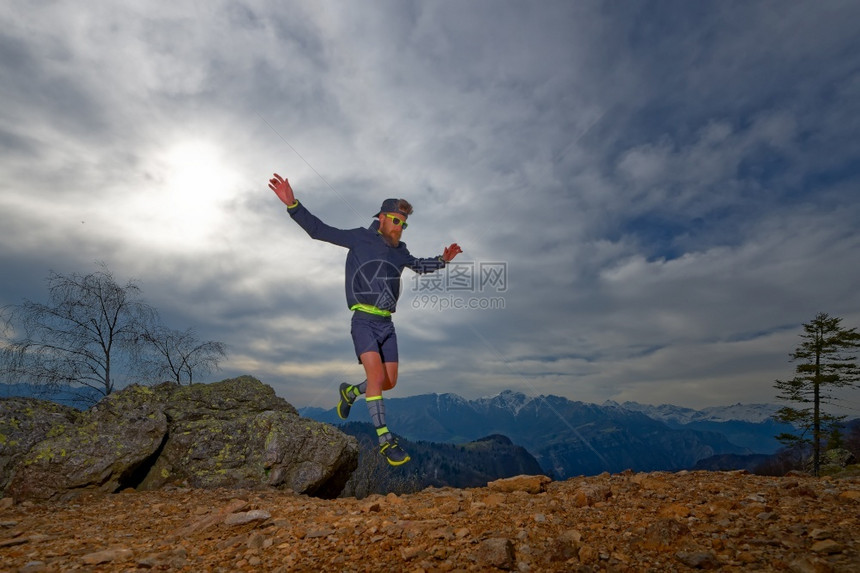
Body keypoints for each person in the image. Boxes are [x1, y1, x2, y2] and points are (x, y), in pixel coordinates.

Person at [269, 173, 462, 466]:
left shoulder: (401, 251)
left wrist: (443, 260)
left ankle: (350, 391)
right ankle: (386, 440)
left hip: (387, 325)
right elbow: (319, 230)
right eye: (397, 221)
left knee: (389, 382)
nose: (401, 227)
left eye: (404, 223)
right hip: (363, 321)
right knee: (375, 376)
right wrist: (293, 204)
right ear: (382, 218)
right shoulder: (360, 237)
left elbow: (420, 266)